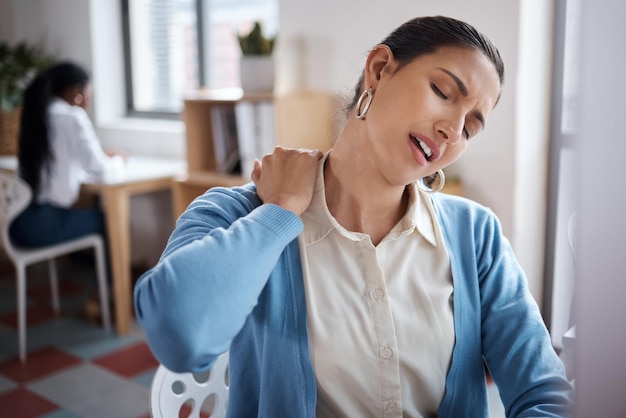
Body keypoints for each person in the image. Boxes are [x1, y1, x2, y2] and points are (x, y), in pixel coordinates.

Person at [134, 16, 573, 417]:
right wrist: (279, 214)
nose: (453, 131)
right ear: (380, 69)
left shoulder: (476, 235)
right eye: (442, 92)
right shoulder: (237, 214)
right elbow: (179, 336)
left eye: (472, 127)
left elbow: (544, 393)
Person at [10, 61, 124, 249]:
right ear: (76, 92)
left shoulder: (38, 114)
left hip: (17, 221)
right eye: (89, 93)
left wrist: (101, 156)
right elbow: (102, 172)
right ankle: (114, 280)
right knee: (110, 220)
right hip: (42, 224)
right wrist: (119, 160)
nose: (89, 99)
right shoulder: (72, 116)